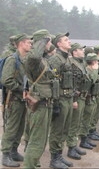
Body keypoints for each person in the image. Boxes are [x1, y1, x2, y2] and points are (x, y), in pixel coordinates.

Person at [23, 29, 56, 168]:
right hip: (39, 105)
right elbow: (34, 57)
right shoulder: (33, 58)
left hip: (45, 104)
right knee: (36, 142)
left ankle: (34, 165)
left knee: (40, 141)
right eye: (48, 41)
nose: (50, 44)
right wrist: (42, 40)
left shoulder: (42, 59)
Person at [1, 34, 32, 167]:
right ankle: (5, 154)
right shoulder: (12, 60)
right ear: (21, 44)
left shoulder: (24, 59)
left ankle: (14, 151)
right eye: (28, 43)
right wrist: (21, 89)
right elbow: (6, 80)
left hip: (22, 100)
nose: (31, 45)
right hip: (13, 100)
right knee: (11, 128)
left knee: (20, 128)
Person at [48, 32, 74, 168]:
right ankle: (54, 159)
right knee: (57, 130)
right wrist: (56, 103)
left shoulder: (67, 58)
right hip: (61, 99)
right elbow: (53, 82)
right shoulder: (55, 59)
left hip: (68, 98)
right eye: (66, 40)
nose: (69, 41)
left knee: (65, 129)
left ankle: (59, 154)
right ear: (58, 44)